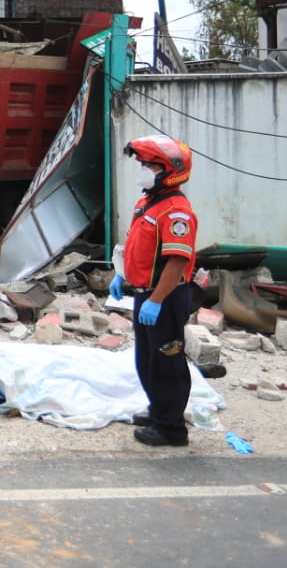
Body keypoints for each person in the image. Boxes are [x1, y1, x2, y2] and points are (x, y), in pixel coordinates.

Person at [109, 134, 200, 448]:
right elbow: (136, 244)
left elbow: (177, 261)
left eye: (147, 164)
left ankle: (172, 429)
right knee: (146, 359)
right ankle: (159, 410)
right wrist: (121, 276)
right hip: (145, 294)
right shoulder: (148, 202)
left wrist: (157, 300)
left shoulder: (176, 212)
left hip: (166, 298)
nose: (141, 169)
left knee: (166, 362)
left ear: (169, 170)